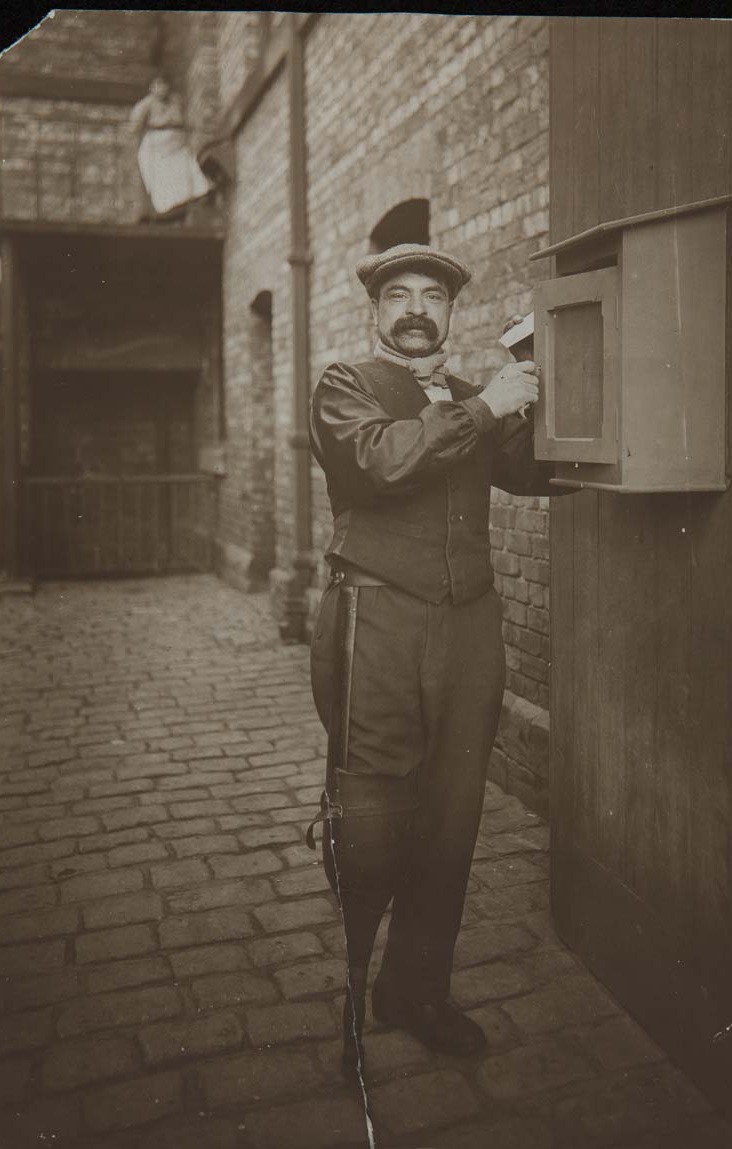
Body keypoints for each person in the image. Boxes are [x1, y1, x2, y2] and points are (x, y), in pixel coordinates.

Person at [308, 243, 571, 1079]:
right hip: (376, 619)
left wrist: (545, 375)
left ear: (451, 315)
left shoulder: (465, 396)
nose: (417, 308)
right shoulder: (344, 386)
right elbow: (381, 463)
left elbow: (534, 474)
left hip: (469, 629)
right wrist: (489, 408)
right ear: (375, 311)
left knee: (452, 815)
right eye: (399, 295)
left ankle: (414, 992)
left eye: (433, 296)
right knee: (374, 816)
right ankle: (352, 997)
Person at [130, 76, 214, 220]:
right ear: (151, 88)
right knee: (158, 169)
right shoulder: (146, 104)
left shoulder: (176, 100)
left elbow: (183, 120)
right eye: (157, 85)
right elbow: (135, 126)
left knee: (185, 163)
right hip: (158, 141)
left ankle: (196, 193)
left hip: (176, 140)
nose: (162, 88)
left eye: (164, 84)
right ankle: (167, 204)